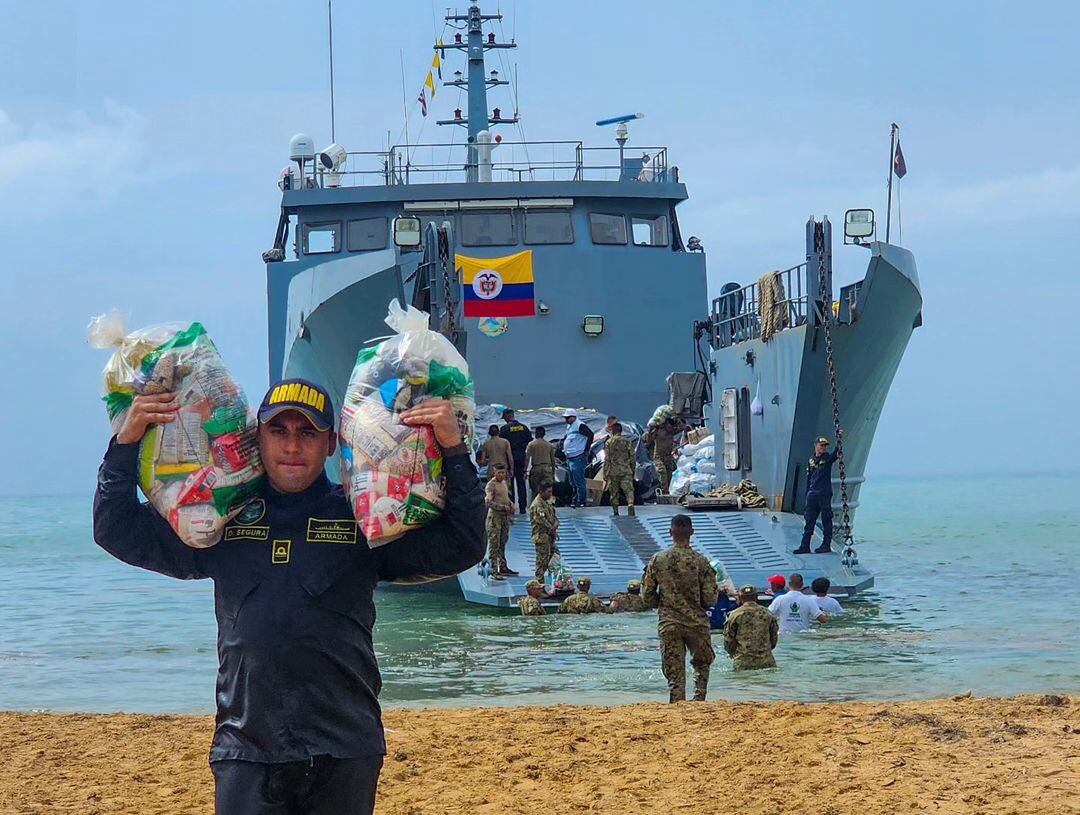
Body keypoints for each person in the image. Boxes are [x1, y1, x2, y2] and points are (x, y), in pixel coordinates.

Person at [92, 378, 485, 815]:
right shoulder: (219, 519)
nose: (292, 446)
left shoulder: (365, 520)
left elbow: (462, 545)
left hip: (344, 746)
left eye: (308, 433)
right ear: (255, 439)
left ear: (332, 443)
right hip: (246, 747)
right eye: (279, 431)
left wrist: (454, 451)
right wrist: (125, 443)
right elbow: (117, 530)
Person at [642, 515, 718, 702]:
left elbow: (647, 597)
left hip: (669, 622)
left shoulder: (658, 559)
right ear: (692, 533)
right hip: (697, 622)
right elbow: (711, 599)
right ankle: (699, 699)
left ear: (670, 533)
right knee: (702, 664)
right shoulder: (701, 562)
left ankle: (677, 702)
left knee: (674, 671)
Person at [794, 433, 842, 555]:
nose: (823, 448)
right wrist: (807, 495)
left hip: (824, 493)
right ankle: (805, 546)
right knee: (809, 520)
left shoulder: (827, 459)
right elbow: (809, 478)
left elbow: (837, 453)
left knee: (827, 520)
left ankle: (826, 545)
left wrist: (839, 439)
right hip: (812, 494)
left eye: (825, 446)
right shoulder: (811, 461)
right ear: (815, 446)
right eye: (821, 445)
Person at [723, 585, 780, 671]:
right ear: (756, 597)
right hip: (766, 662)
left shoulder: (735, 615)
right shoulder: (768, 613)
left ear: (740, 597)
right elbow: (774, 639)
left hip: (743, 663)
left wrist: (733, 654)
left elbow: (728, 640)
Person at [484, 464, 517, 578]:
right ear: (494, 473)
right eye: (499, 473)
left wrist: (511, 504)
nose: (502, 475)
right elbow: (488, 502)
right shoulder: (491, 486)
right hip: (495, 518)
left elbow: (506, 498)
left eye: (503, 472)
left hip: (504, 518)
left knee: (502, 542)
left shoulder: (504, 483)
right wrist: (503, 507)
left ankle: (502, 566)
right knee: (494, 544)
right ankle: (494, 570)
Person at [500, 408, 531, 513]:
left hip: (510, 459)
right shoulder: (524, 428)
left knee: (510, 484)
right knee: (521, 483)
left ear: (507, 416)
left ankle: (511, 506)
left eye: (504, 417)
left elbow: (502, 444)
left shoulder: (504, 429)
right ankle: (522, 508)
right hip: (521, 457)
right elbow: (529, 441)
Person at [603, 422, 636, 517]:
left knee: (614, 492)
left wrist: (605, 472)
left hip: (614, 472)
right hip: (626, 470)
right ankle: (630, 504)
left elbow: (607, 459)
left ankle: (615, 511)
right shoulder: (627, 441)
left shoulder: (609, 442)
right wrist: (632, 470)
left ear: (613, 431)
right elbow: (633, 457)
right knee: (629, 490)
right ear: (621, 430)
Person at [529, 480, 559, 582]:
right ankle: (539, 585)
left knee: (554, 557)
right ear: (541, 492)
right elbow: (542, 521)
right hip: (542, 537)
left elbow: (553, 516)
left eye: (551, 491)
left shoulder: (547, 502)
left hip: (549, 537)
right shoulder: (537, 505)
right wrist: (553, 528)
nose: (550, 494)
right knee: (541, 562)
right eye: (548, 492)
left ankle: (554, 581)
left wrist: (555, 525)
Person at [562, 413, 593, 508]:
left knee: (579, 481)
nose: (566, 419)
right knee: (573, 481)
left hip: (577, 457)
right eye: (565, 418)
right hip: (570, 457)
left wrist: (586, 449)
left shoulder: (580, 425)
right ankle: (575, 500)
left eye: (568, 417)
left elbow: (590, 435)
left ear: (574, 417)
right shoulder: (569, 427)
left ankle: (581, 501)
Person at [643, 417, 680, 494]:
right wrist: (651, 430)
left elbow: (683, 426)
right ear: (665, 425)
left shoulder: (672, 432)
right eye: (668, 426)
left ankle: (667, 490)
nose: (670, 428)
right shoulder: (658, 431)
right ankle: (664, 490)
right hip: (658, 456)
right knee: (662, 472)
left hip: (668, 457)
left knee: (669, 474)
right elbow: (649, 439)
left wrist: (676, 418)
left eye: (671, 427)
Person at [525, 426, 556, 500]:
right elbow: (553, 460)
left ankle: (536, 506)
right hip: (547, 469)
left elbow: (527, 458)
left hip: (536, 469)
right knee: (547, 489)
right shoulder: (549, 445)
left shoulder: (531, 444)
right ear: (544, 434)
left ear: (535, 434)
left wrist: (525, 470)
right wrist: (553, 473)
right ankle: (548, 506)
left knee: (535, 490)